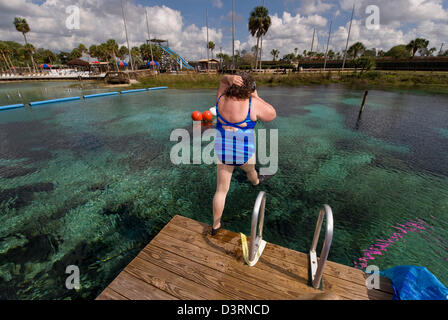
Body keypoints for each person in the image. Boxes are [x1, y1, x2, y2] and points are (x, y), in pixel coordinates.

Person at [212, 73, 276, 235]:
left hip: (223, 150)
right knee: (251, 171)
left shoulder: (221, 99)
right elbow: (272, 114)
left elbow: (222, 80)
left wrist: (229, 78)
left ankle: (215, 226)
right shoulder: (252, 103)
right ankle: (255, 182)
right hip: (243, 152)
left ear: (231, 85)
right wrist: (255, 95)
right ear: (250, 88)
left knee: (221, 190)